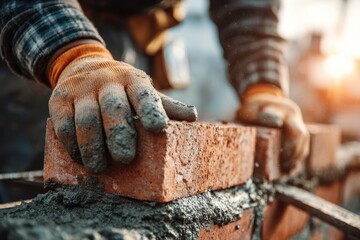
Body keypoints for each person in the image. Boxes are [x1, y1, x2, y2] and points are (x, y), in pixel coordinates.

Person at [0, 0, 309, 180]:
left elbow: (249, 7)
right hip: (42, 34)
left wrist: (263, 86)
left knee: (127, 167)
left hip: (138, 37)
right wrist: (71, 55)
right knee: (34, 179)